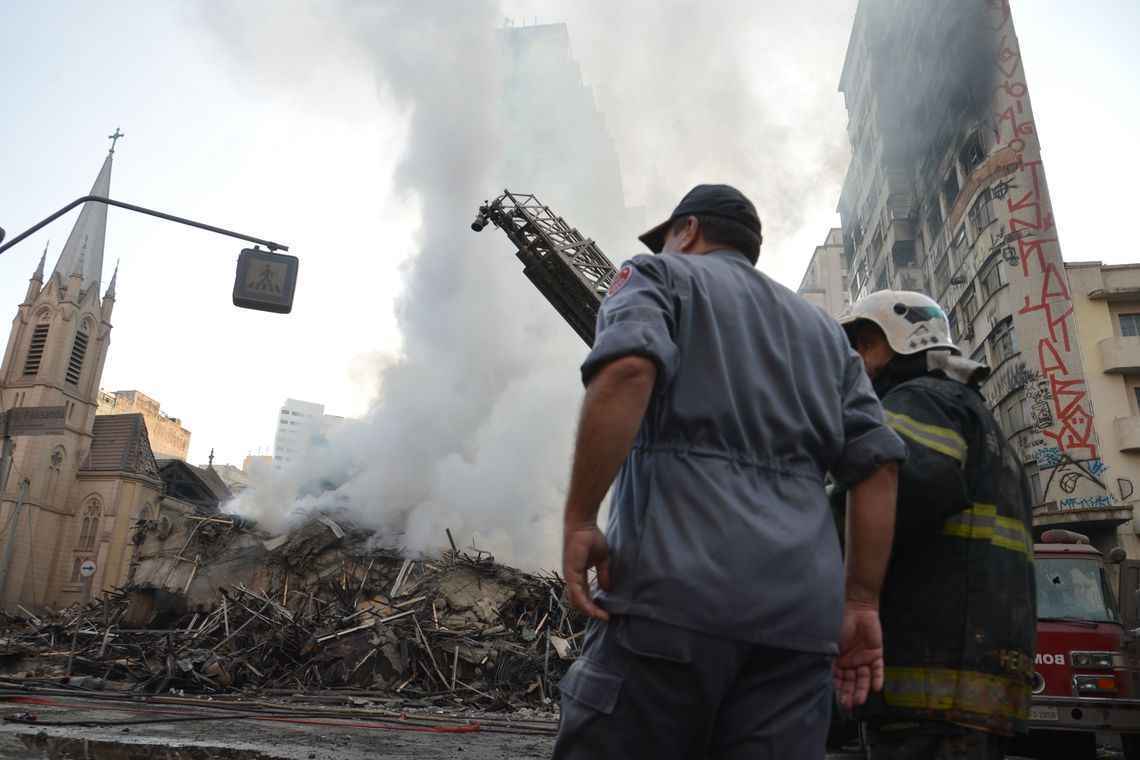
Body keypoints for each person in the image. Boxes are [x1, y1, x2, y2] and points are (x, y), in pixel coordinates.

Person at [552, 184, 906, 760]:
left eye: (668, 238)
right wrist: (861, 601)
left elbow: (626, 373)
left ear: (686, 230)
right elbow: (879, 469)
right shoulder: (823, 335)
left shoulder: (658, 276)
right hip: (798, 628)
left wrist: (579, 518)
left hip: (671, 599)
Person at [838, 290, 1036, 760]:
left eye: (863, 346)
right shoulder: (977, 417)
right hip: (972, 684)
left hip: (929, 683)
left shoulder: (918, 402)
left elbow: (893, 489)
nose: (855, 365)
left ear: (898, 344)